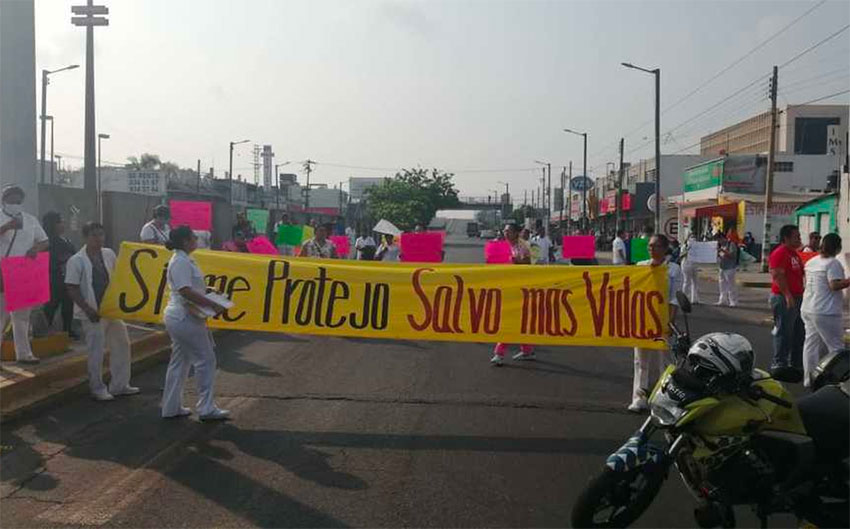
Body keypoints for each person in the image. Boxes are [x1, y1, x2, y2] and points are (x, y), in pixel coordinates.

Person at [161, 226, 230, 420]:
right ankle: (206, 408)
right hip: (184, 316)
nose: (196, 240)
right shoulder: (181, 261)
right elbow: (185, 291)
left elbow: (191, 287)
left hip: (181, 316)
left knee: (180, 362)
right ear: (185, 241)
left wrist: (208, 291)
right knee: (206, 360)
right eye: (193, 237)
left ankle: (171, 407)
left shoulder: (184, 259)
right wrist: (213, 304)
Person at [65, 222, 139, 401]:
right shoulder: (76, 260)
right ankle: (97, 387)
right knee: (96, 351)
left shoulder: (108, 254)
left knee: (122, 344)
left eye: (101, 235)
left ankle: (120, 385)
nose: (98, 239)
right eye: (94, 235)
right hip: (92, 313)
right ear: (86, 237)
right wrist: (88, 309)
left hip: (111, 310)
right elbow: (71, 287)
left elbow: (117, 278)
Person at [629, 234, 683, 412]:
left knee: (665, 362)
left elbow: (674, 298)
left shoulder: (673, 270)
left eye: (656, 246)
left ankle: (664, 398)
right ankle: (639, 397)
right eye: (650, 246)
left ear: (665, 248)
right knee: (640, 361)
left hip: (662, 320)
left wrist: (670, 321)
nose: (652, 249)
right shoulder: (641, 267)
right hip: (643, 321)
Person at [0, 185, 48, 364]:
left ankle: (24, 353)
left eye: (19, 200)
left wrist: (36, 249)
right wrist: (7, 226)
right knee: (1, 316)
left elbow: (44, 241)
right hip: (3, 272)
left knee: (22, 316)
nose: (16, 203)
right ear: (4, 200)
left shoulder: (30, 220)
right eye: (12, 200)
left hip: (23, 272)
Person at [800, 233, 849, 388]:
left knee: (810, 345)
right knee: (836, 348)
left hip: (808, 307)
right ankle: (839, 382)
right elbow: (834, 285)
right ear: (837, 247)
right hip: (826, 311)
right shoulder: (833, 263)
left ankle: (809, 379)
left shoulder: (812, 261)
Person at [491, 223, 533, 366]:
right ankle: (527, 349)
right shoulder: (503, 245)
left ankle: (499, 352)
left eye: (508, 231)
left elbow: (531, 263)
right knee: (518, 320)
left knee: (508, 320)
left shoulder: (524, 246)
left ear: (516, 233)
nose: (505, 233)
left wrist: (516, 262)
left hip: (520, 288)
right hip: (506, 286)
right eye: (504, 231)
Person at [768, 225, 805, 383]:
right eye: (796, 236)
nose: (799, 239)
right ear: (786, 238)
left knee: (798, 333)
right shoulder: (780, 253)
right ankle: (779, 364)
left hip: (797, 297)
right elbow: (777, 274)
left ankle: (795, 365)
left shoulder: (794, 254)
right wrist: (788, 295)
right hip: (784, 298)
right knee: (784, 331)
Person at [42, 211, 78, 339]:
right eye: (59, 222)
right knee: (52, 305)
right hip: (55, 278)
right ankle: (44, 330)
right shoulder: (48, 241)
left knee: (68, 305)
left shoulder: (65, 239)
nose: (63, 224)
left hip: (68, 277)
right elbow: (53, 258)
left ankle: (67, 330)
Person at [716, 232, 739, 307]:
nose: (719, 241)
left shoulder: (731, 244)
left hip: (730, 267)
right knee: (722, 285)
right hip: (722, 267)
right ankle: (722, 300)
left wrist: (722, 251)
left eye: (719, 239)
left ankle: (733, 301)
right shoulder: (720, 245)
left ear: (723, 238)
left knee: (731, 285)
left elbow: (732, 255)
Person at [680, 233, 700, 304]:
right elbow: (681, 255)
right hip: (686, 265)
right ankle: (684, 298)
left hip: (694, 265)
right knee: (686, 281)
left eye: (694, 237)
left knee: (695, 282)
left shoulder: (697, 246)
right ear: (688, 238)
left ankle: (695, 299)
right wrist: (687, 250)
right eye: (691, 237)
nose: (693, 238)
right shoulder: (684, 246)